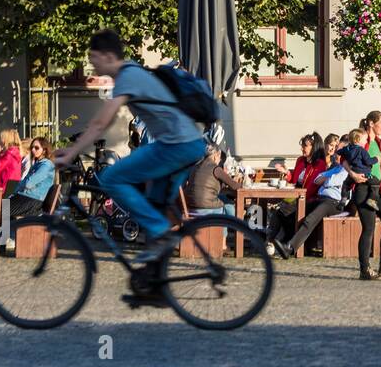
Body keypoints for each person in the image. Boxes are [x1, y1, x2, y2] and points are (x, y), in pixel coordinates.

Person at [53, 30, 208, 265]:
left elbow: (100, 123)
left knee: (112, 177)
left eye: (93, 58)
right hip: (183, 145)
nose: (92, 65)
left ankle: (159, 234)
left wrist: (72, 152)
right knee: (153, 205)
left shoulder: (127, 77)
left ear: (107, 56)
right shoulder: (132, 73)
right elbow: (105, 123)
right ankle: (154, 282)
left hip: (176, 145)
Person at [339, 127, 381, 280]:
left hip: (377, 189)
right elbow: (343, 158)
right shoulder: (361, 140)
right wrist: (353, 174)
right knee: (369, 228)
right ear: (372, 124)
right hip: (363, 189)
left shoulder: (378, 142)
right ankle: (364, 269)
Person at [277, 146, 353, 259]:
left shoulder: (346, 169)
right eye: (336, 152)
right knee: (293, 212)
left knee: (309, 219)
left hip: (334, 202)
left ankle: (289, 248)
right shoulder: (335, 168)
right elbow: (317, 179)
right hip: (321, 198)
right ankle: (285, 242)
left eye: (339, 152)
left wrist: (326, 179)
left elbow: (330, 181)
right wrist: (327, 179)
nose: (336, 154)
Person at [184, 142, 243, 219]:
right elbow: (234, 186)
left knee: (223, 198)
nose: (220, 160)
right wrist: (244, 184)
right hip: (207, 209)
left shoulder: (195, 167)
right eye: (220, 157)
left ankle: (231, 226)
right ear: (216, 155)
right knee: (228, 205)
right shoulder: (216, 168)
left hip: (191, 207)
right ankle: (229, 227)